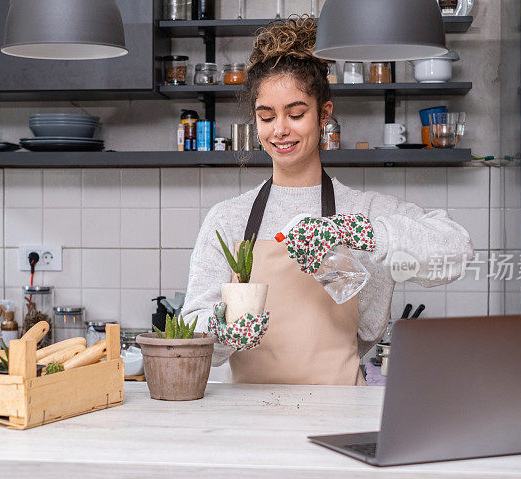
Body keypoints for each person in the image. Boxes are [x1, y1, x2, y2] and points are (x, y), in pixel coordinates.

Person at [183, 17, 474, 385]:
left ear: (324, 115)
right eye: (266, 117)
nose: (280, 130)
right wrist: (221, 330)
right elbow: (191, 327)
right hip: (249, 419)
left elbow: (457, 250)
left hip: (340, 411)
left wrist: (360, 233)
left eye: (296, 113)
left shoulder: (362, 211)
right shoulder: (228, 219)